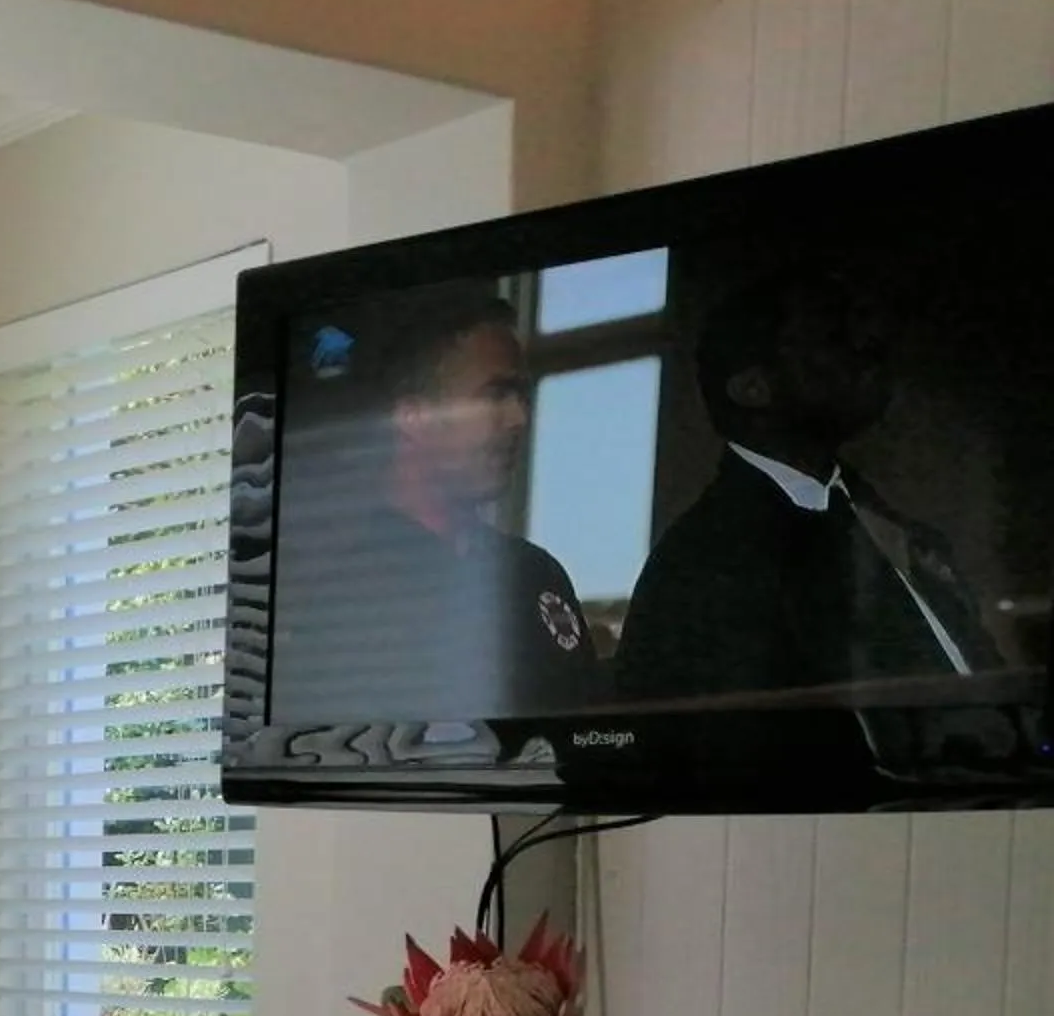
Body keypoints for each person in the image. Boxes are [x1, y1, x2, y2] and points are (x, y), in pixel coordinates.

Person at [614, 265, 998, 700]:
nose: (867, 347)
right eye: (831, 337)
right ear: (754, 388)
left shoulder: (901, 535)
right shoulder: (702, 567)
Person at [271, 287, 608, 731]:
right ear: (412, 417)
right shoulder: (346, 600)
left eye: (521, 397)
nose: (518, 418)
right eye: (495, 396)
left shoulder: (536, 573)